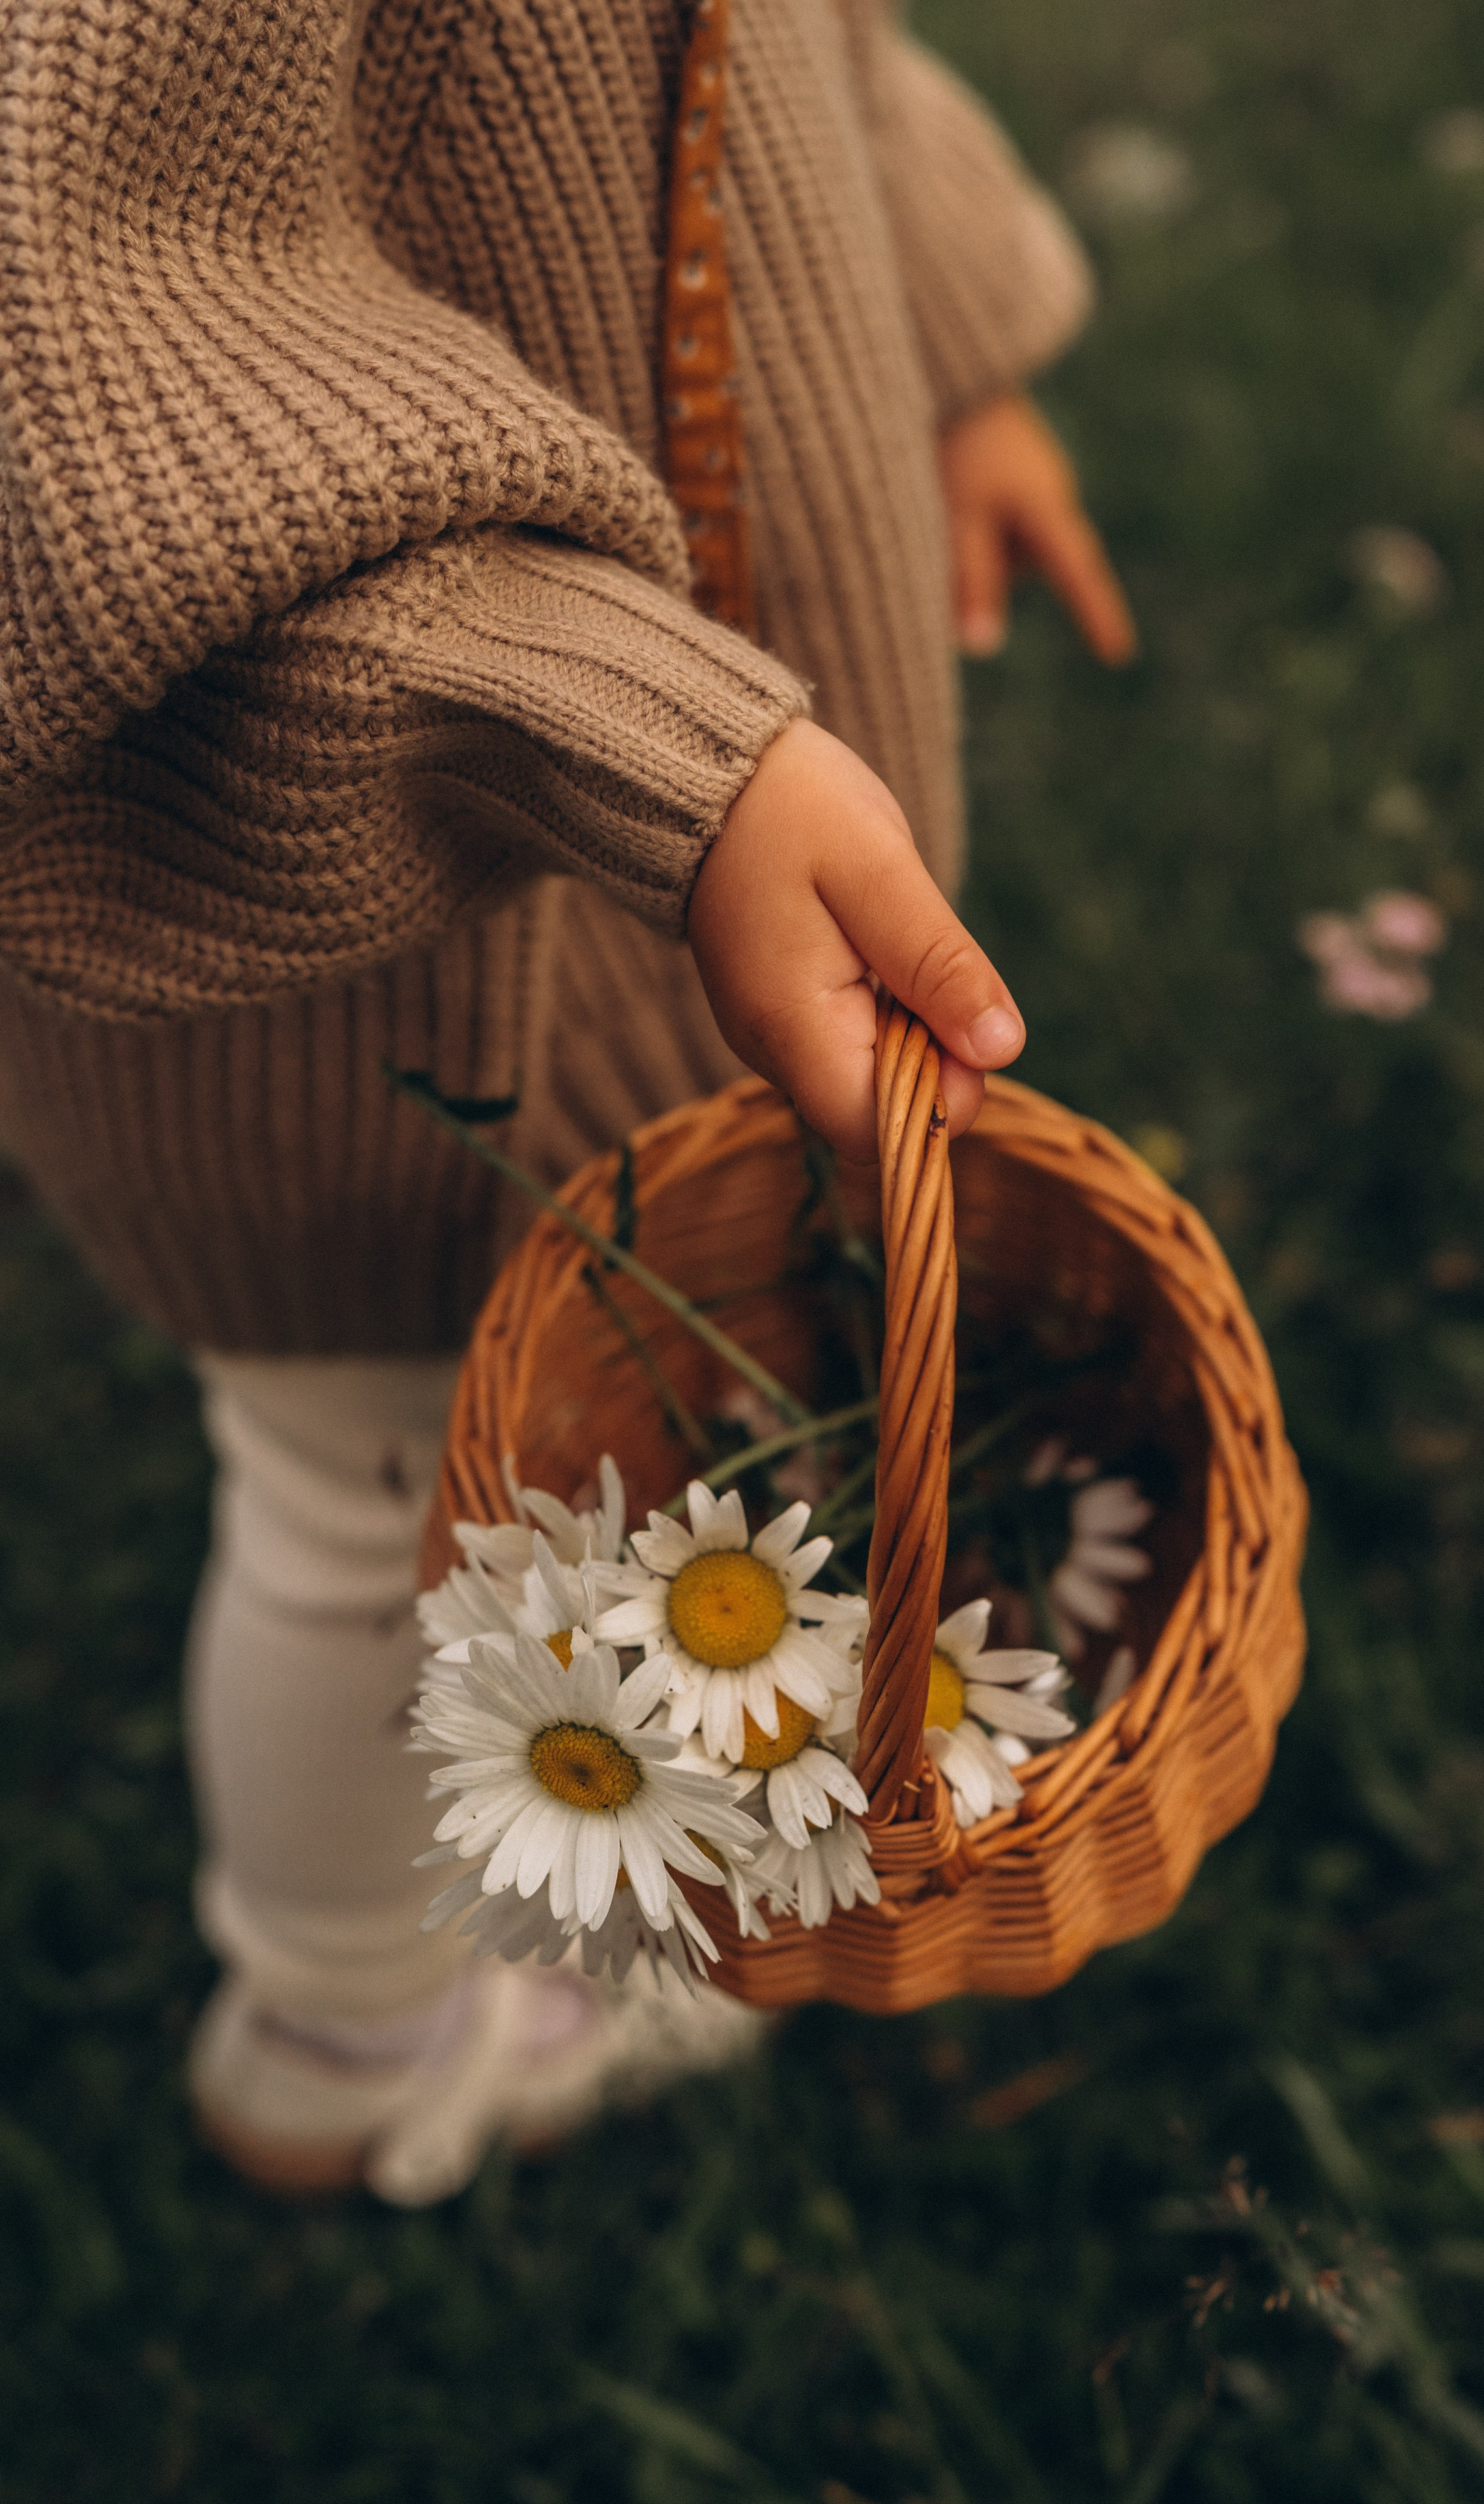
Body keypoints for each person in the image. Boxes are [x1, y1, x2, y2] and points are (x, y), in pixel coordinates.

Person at [0, 0, 1133, 2202]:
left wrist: (953, 345)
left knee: (549, 1427)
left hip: (671, 813)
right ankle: (334, 2033)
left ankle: (528, 1864)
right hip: (359, 922)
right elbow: (101, 394)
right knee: (364, 1481)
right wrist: (633, 740)